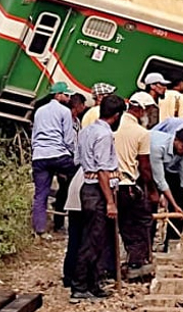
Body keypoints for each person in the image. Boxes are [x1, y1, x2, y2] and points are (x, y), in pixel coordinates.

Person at [70, 95, 125, 303]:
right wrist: (110, 201)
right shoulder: (104, 135)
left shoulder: (87, 130)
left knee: (97, 239)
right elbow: (102, 170)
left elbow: (78, 159)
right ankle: (80, 285)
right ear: (117, 115)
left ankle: (93, 284)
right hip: (98, 191)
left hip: (88, 187)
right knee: (92, 240)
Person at [114, 93, 154, 279]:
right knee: (140, 223)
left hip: (110, 183)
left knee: (121, 225)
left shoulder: (114, 124)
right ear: (140, 110)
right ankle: (136, 264)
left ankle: (113, 266)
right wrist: (153, 191)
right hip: (129, 185)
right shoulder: (141, 133)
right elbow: (145, 166)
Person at [31, 82, 78, 238]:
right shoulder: (64, 111)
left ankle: (40, 230)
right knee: (77, 177)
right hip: (58, 155)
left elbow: (34, 135)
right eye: (66, 95)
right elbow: (68, 138)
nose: (69, 97)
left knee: (40, 194)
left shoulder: (39, 111)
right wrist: (72, 155)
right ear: (58, 95)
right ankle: (71, 217)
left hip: (39, 156)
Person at [150, 128, 183, 251]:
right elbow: (160, 180)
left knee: (180, 197)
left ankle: (172, 241)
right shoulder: (158, 147)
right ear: (176, 140)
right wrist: (173, 203)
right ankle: (147, 244)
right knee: (150, 202)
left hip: (168, 169)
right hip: (148, 170)